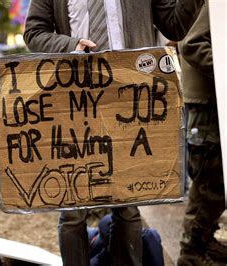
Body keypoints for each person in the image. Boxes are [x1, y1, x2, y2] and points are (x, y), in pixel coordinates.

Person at [23, 0, 204, 265]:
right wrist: (70, 46)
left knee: (128, 204)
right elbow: (33, 33)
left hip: (130, 98)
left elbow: (174, 26)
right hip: (75, 98)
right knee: (73, 209)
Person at [177, 4, 227, 265]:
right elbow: (192, 44)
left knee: (215, 180)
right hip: (207, 105)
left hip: (214, 104)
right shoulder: (218, 5)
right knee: (210, 179)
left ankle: (202, 241)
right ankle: (192, 251)